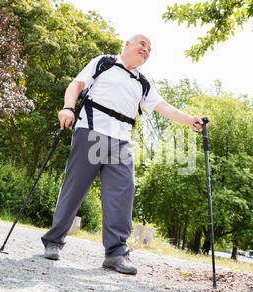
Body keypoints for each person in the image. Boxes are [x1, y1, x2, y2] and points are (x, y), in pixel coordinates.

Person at [41, 34, 207, 275]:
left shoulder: (143, 82)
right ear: (127, 45)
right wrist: (67, 108)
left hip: (121, 141)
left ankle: (116, 253)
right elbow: (76, 85)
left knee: (123, 192)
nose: (146, 50)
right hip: (91, 131)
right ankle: (54, 241)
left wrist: (189, 120)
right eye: (143, 44)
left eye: (150, 49)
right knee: (75, 189)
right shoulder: (104, 62)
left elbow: (164, 107)